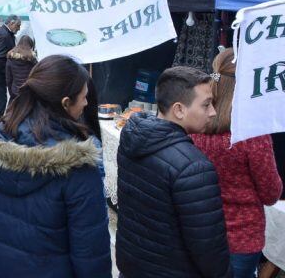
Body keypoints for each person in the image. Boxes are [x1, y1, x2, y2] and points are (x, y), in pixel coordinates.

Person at [0, 55, 111, 277]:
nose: (86, 103)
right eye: (84, 97)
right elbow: (91, 257)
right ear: (66, 103)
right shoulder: (78, 169)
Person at [116, 66, 232, 277]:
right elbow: (209, 248)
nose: (213, 112)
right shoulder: (194, 168)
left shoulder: (131, 139)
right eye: (206, 105)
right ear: (179, 109)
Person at [191, 49, 282, 278]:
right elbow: (271, 193)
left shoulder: (192, 128)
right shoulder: (253, 136)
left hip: (197, 232)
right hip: (242, 240)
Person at [5, 35, 37, 104]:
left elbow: (8, 79)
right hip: (28, 92)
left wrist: (11, 92)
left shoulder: (11, 58)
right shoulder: (32, 59)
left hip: (15, 91)